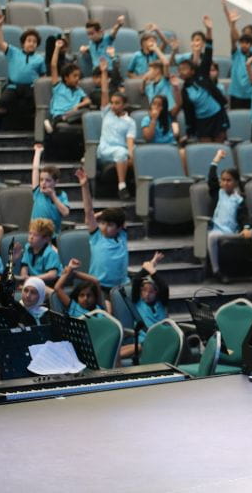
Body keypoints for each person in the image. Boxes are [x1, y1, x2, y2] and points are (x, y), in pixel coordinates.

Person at [76, 167, 129, 304]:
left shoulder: (122, 236)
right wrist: (85, 186)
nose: (105, 227)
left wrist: (105, 213)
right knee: (109, 309)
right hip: (100, 288)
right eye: (103, 223)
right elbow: (88, 212)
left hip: (121, 287)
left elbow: (120, 216)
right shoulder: (97, 237)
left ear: (119, 227)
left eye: (110, 225)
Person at [0, 13, 45, 133]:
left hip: (31, 87)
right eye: (29, 40)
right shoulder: (13, 52)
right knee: (2, 102)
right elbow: (0, 42)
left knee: (38, 104)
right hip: (14, 86)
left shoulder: (40, 59)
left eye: (34, 42)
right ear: (23, 43)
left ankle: (36, 128)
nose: (31, 43)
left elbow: (43, 76)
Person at [178, 16, 230, 144]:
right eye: (180, 69)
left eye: (184, 68)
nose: (181, 71)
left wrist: (209, 30)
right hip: (202, 121)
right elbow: (188, 112)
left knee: (219, 147)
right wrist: (190, 131)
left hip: (217, 114)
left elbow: (208, 51)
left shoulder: (202, 74)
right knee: (205, 150)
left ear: (192, 70)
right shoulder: (185, 90)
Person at [206, 149, 252, 279]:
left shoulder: (239, 199)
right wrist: (216, 159)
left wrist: (246, 228)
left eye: (229, 180)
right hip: (217, 230)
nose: (225, 183)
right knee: (212, 237)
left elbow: (244, 216)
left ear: (236, 182)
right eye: (223, 180)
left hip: (233, 231)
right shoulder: (217, 193)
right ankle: (216, 271)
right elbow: (211, 178)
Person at [96, 56, 136, 200]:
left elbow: (130, 141)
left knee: (129, 153)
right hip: (104, 150)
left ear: (124, 104)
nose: (113, 105)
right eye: (112, 103)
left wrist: (132, 155)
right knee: (121, 152)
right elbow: (105, 92)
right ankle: (122, 186)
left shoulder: (130, 121)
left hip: (121, 150)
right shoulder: (107, 112)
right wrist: (104, 72)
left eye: (117, 103)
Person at [120, 252, 169, 358]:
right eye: (144, 290)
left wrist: (151, 269)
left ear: (157, 293)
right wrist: (150, 265)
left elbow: (164, 287)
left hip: (160, 340)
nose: (147, 294)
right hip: (143, 341)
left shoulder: (162, 303)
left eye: (151, 292)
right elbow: (137, 279)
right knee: (118, 352)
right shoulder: (137, 301)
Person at [44, 38, 91, 133]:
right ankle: (57, 120)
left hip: (73, 114)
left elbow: (87, 101)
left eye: (78, 76)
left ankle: (59, 120)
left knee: (87, 112)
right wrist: (57, 48)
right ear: (66, 77)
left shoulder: (78, 90)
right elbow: (53, 65)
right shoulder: (58, 86)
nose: (77, 78)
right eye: (74, 76)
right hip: (59, 113)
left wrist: (78, 105)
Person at [224, 1, 252, 109]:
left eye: (247, 43)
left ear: (251, 44)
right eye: (242, 42)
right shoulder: (237, 53)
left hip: (250, 94)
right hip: (235, 94)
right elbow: (233, 39)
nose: (244, 45)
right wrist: (233, 23)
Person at [30, 144, 71, 234]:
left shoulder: (61, 195)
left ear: (56, 182)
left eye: (48, 180)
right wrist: (38, 151)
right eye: (41, 180)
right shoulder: (37, 192)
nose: (43, 183)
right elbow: (35, 170)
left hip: (53, 236)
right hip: (36, 234)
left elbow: (65, 213)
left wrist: (53, 196)